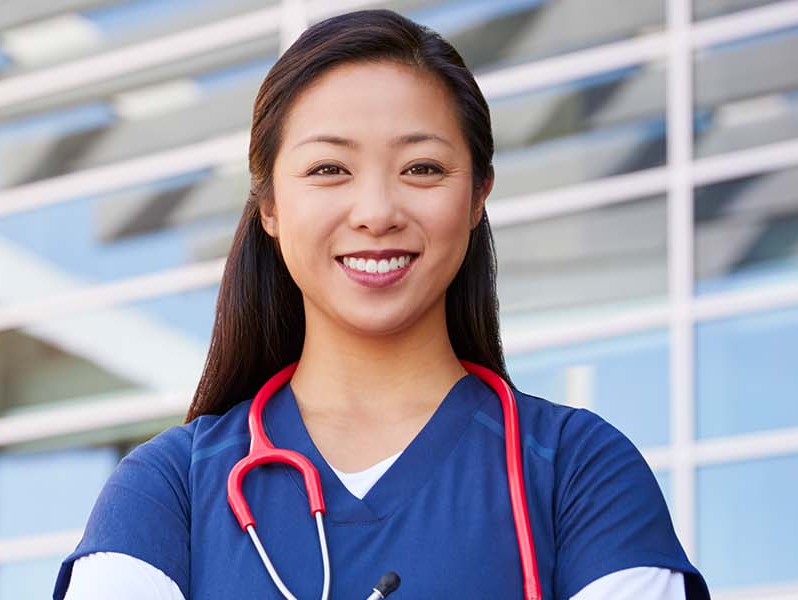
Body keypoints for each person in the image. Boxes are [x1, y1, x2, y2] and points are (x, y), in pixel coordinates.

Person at [52, 9, 709, 600]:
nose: (376, 213)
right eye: (329, 170)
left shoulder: (577, 472)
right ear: (271, 206)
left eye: (422, 168)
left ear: (478, 196)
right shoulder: (168, 490)